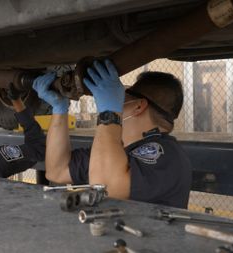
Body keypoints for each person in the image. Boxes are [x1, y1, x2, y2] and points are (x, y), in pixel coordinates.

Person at [33, 60, 192, 208]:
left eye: (124, 95)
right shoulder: (120, 150)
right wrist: (59, 109)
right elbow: (57, 171)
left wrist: (109, 113)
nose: (118, 99)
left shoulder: (167, 154)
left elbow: (106, 188)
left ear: (138, 106)